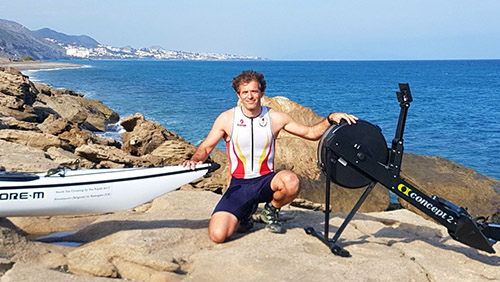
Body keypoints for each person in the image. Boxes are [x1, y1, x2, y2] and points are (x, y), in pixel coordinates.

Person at [182, 70, 358, 243]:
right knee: (218, 235)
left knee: (291, 181)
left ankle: (271, 210)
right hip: (239, 185)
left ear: (261, 92)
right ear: (238, 94)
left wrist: (330, 118)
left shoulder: (275, 117)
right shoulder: (227, 119)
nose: (250, 96)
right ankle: (245, 213)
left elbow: (311, 132)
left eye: (254, 91)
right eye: (245, 92)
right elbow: (206, 147)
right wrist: (194, 161)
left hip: (266, 181)